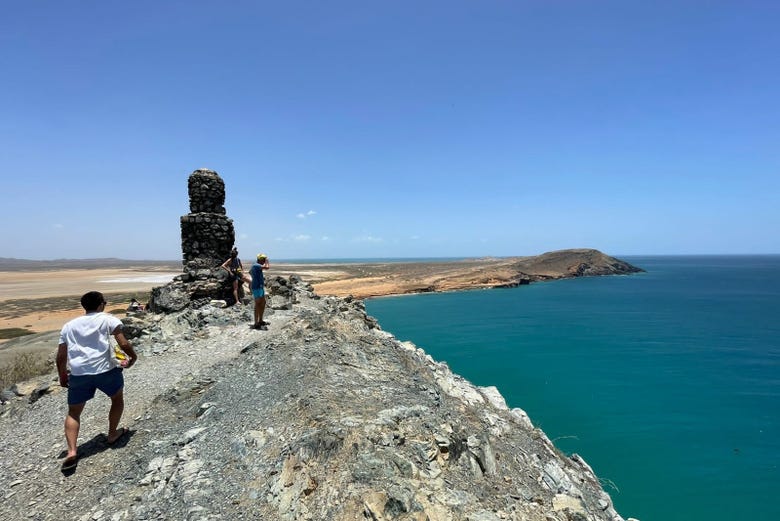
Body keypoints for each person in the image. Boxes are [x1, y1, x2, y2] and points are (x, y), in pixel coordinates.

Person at [56, 291, 138, 471]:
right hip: (106, 371)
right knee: (116, 399)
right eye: (105, 302)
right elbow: (123, 343)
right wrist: (133, 357)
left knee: (74, 412)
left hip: (79, 374)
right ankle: (112, 434)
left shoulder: (69, 326)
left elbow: (61, 356)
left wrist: (62, 375)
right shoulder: (108, 319)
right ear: (101, 304)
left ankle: (71, 451)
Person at [249, 253, 270, 329]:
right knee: (257, 304)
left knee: (263, 302)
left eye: (265, 259)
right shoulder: (256, 265)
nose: (264, 261)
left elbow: (250, 272)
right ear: (260, 259)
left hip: (259, 287)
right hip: (257, 287)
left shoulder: (255, 266)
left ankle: (260, 320)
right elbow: (267, 267)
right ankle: (256, 323)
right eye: (263, 259)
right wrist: (267, 261)